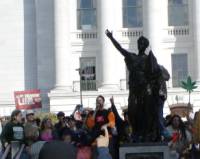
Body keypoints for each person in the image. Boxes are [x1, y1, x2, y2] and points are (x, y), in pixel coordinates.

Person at [106, 29, 161, 141]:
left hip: (145, 89)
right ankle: (136, 132)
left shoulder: (149, 59)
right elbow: (120, 49)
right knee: (132, 111)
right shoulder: (132, 57)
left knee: (147, 111)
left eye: (142, 43)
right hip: (134, 89)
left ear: (145, 46)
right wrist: (111, 38)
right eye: (138, 43)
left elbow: (156, 74)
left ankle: (148, 133)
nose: (139, 45)